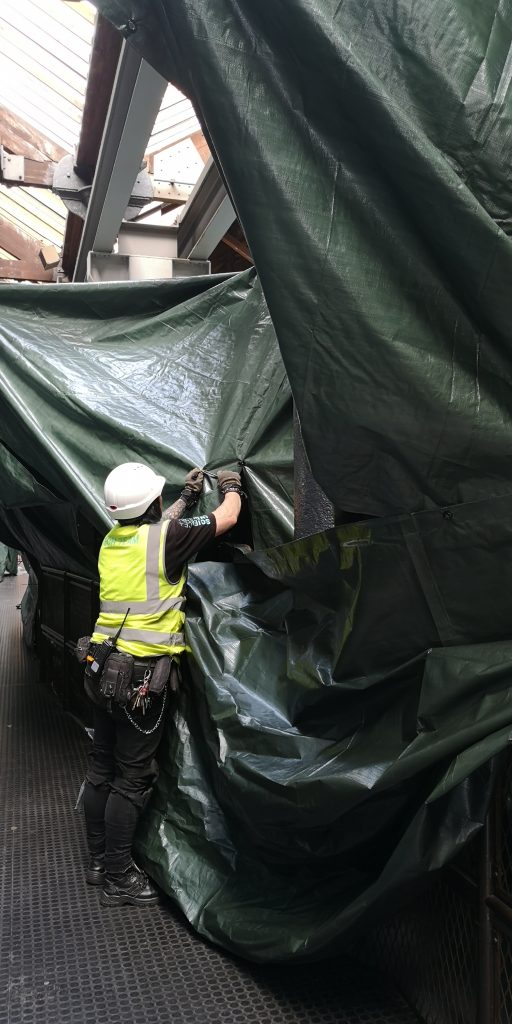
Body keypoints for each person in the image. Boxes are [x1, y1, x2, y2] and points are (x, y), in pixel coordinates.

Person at [82, 462, 242, 908]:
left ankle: (97, 861)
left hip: (99, 669)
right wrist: (231, 485)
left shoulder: (111, 540)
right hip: (138, 683)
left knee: (101, 767)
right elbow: (227, 517)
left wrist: (186, 500)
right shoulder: (165, 540)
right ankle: (118, 873)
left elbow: (155, 531)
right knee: (131, 779)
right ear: (151, 501)